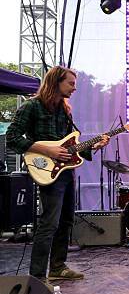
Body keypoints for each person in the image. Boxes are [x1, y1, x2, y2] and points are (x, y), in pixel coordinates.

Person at [6, 66, 109, 282]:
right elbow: (13, 138)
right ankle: (37, 276)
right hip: (45, 168)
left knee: (66, 221)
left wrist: (95, 146)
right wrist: (47, 150)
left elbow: (69, 146)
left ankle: (58, 267)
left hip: (65, 172)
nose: (74, 88)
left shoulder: (64, 109)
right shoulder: (32, 106)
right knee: (49, 223)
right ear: (56, 82)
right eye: (70, 83)